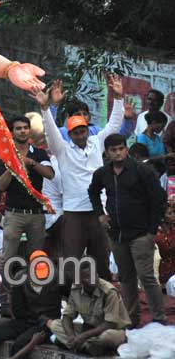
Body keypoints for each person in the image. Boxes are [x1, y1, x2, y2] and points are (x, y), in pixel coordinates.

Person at [37, 73, 125, 280]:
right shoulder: (63, 150)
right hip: (73, 212)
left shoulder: (97, 143)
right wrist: (45, 108)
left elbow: (113, 126)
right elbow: (50, 133)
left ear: (87, 129)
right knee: (71, 261)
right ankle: (73, 301)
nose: (80, 135)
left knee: (101, 259)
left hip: (97, 211)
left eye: (82, 130)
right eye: (75, 132)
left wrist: (119, 98)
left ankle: (104, 301)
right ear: (69, 134)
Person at [88, 133, 167, 326]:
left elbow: (159, 200)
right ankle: (132, 317)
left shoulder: (142, 171)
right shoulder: (103, 173)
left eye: (121, 148)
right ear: (107, 153)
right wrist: (100, 214)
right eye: (113, 150)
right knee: (126, 277)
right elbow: (93, 191)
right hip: (116, 233)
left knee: (146, 276)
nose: (118, 153)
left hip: (141, 233)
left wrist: (151, 231)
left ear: (127, 149)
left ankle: (159, 317)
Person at [0, 115, 53, 261]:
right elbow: (0, 186)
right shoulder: (5, 156)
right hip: (13, 214)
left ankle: (35, 284)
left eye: (25, 128)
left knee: (37, 258)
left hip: (36, 213)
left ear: (29, 131)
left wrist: (30, 162)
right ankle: (4, 284)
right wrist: (12, 168)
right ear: (12, 132)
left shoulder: (39, 153)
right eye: (18, 128)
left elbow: (50, 174)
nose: (23, 131)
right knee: (7, 257)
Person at [0, 258, 62, 359]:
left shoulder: (57, 277)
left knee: (19, 344)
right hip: (25, 321)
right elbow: (18, 311)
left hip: (46, 323)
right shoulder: (20, 278)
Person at [47, 262, 129, 356]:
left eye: (94, 275)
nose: (92, 279)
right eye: (87, 277)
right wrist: (71, 336)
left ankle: (79, 345)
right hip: (89, 330)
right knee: (55, 325)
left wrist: (82, 336)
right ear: (80, 280)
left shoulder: (109, 292)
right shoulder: (76, 289)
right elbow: (67, 316)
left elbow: (109, 324)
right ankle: (88, 347)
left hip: (111, 330)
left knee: (107, 337)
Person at [47, 80, 136, 141]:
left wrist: (128, 119)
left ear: (89, 117)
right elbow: (49, 132)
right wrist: (54, 105)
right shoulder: (62, 133)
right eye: (77, 114)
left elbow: (117, 136)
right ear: (70, 118)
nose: (82, 117)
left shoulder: (95, 132)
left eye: (84, 114)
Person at [157, 199, 175, 291]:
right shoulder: (156, 236)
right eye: (170, 213)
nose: (173, 215)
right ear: (162, 218)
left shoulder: (173, 230)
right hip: (162, 275)